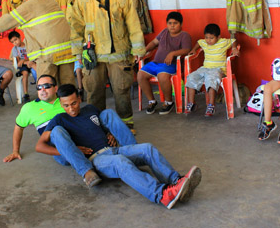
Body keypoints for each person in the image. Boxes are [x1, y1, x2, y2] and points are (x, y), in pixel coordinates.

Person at [36, 84, 202, 209]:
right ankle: (162, 195)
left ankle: (177, 181)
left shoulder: (90, 110)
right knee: (120, 162)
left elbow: (100, 125)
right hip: (96, 160)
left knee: (147, 148)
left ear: (79, 99)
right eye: (66, 105)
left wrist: (108, 133)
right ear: (60, 104)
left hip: (114, 150)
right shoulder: (60, 119)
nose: (71, 108)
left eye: (74, 103)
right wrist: (71, 151)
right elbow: (40, 146)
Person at [5, 75, 137, 188]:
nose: (42, 90)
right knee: (57, 130)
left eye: (47, 86)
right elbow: (18, 128)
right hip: (62, 146)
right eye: (39, 87)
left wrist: (110, 132)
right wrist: (15, 150)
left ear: (55, 88)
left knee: (107, 113)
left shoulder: (66, 100)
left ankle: (135, 153)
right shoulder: (29, 108)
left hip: (86, 138)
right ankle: (88, 170)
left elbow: (89, 118)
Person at [70, 0, 146, 130]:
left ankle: (126, 126)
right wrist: (77, 55)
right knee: (94, 93)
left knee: (121, 91)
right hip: (92, 55)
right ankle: (97, 128)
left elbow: (133, 24)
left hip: (119, 55)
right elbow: (76, 29)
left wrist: (137, 49)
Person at [0, 0, 76, 85]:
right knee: (68, 86)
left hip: (47, 55)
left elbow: (8, 20)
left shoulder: (30, 5)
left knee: (47, 87)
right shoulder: (50, 0)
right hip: (67, 51)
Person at [137, 12, 192, 115]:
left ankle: (168, 102)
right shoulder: (164, 32)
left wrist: (173, 53)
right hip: (155, 63)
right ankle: (152, 101)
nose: (172, 25)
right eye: (170, 23)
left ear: (181, 24)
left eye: (175, 23)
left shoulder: (184, 35)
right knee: (140, 74)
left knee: (162, 76)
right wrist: (143, 51)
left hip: (171, 65)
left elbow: (187, 49)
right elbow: (154, 43)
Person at [185, 23, 239, 117]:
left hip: (218, 69)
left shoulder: (223, 42)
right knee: (191, 77)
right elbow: (199, 42)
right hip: (205, 68)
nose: (208, 40)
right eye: (206, 37)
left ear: (218, 37)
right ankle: (191, 103)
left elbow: (234, 41)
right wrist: (194, 49)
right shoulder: (204, 42)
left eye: (211, 38)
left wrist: (234, 48)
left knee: (211, 79)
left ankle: (211, 105)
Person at [8, 30, 37, 103]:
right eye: (12, 42)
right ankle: (26, 94)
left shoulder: (27, 45)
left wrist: (24, 60)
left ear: (20, 37)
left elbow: (32, 56)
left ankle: (41, 87)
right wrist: (24, 61)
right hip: (23, 65)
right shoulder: (14, 49)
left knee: (36, 69)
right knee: (25, 74)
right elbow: (19, 62)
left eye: (16, 40)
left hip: (31, 61)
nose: (15, 42)